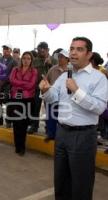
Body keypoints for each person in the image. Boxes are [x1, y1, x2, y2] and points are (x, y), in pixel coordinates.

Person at [39, 37, 108, 200]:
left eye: (79, 49)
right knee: (61, 181)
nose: (73, 53)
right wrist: (45, 90)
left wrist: (77, 91)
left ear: (89, 54)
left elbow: (99, 107)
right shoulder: (64, 76)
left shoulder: (99, 78)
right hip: (62, 132)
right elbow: (53, 98)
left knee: (81, 184)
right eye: (71, 49)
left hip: (83, 136)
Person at [8, 52, 37, 156]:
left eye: (28, 58)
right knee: (16, 123)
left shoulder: (34, 71)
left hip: (27, 99)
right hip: (15, 98)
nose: (26, 60)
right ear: (21, 59)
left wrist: (18, 83)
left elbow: (32, 85)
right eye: (24, 58)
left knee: (24, 124)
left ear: (31, 60)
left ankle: (22, 147)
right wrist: (24, 84)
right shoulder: (15, 69)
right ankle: (17, 146)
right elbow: (11, 80)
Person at [28, 42, 57, 134]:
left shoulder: (54, 60)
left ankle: (49, 128)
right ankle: (34, 126)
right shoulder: (35, 61)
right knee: (35, 108)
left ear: (48, 50)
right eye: (39, 50)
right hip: (37, 87)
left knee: (49, 108)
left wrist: (50, 64)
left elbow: (56, 72)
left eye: (43, 50)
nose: (41, 52)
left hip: (49, 88)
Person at [44, 49, 69, 141]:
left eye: (62, 57)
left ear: (67, 59)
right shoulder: (53, 69)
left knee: (63, 118)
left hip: (64, 99)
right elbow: (46, 80)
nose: (60, 58)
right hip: (53, 97)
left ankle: (61, 136)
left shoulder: (71, 71)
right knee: (51, 117)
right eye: (59, 57)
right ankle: (51, 134)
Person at [0, 44, 18, 127]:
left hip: (8, 85)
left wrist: (5, 81)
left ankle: (8, 121)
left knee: (8, 102)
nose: (5, 50)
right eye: (4, 49)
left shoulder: (14, 61)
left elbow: (14, 74)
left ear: (10, 50)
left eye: (7, 49)